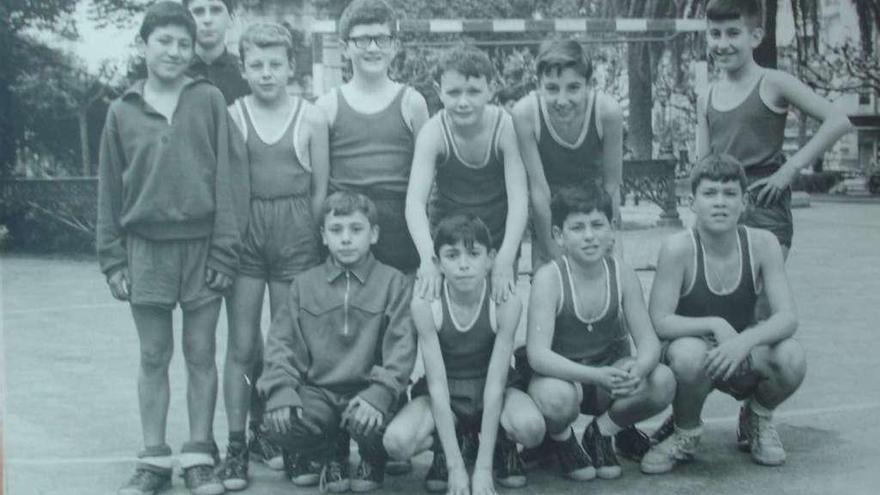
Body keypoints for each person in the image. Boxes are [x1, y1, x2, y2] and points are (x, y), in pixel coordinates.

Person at [97, 3, 245, 494]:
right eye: (164, 41)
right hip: (145, 252)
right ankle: (154, 459)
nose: (175, 51)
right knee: (153, 355)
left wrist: (225, 252)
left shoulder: (209, 100)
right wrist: (113, 259)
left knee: (201, 353)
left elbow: (229, 180)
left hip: (202, 248)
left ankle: (200, 454)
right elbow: (109, 194)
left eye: (184, 43)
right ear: (144, 46)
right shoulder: (121, 111)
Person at [215, 22, 329, 491]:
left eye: (275, 65)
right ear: (243, 69)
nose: (266, 73)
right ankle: (237, 444)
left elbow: (321, 188)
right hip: (246, 235)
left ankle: (293, 441)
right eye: (256, 65)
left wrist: (311, 236)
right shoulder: (232, 114)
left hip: (296, 234)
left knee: (288, 347)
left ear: (291, 67)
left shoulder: (312, 117)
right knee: (242, 345)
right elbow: (226, 183)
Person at [640, 154, 806, 474]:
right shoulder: (678, 248)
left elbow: (788, 317)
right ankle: (685, 432)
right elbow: (659, 320)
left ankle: (756, 416)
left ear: (744, 203)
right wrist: (716, 324)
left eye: (730, 194)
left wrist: (745, 341)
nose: (720, 203)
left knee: (792, 356)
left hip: (740, 351)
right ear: (692, 202)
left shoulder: (763, 243)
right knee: (689, 353)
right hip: (691, 356)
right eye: (710, 193)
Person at [257, 191, 417, 493]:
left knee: (381, 423)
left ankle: (372, 456)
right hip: (319, 393)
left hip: (367, 392)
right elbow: (281, 343)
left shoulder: (393, 282)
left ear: (374, 234)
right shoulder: (304, 285)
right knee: (278, 420)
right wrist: (280, 389)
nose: (346, 239)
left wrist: (381, 393)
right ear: (323, 236)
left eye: (356, 230)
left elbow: (402, 348)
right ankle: (330, 453)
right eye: (336, 230)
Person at [383, 214, 545, 494]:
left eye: (473, 253)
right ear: (437, 263)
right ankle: (448, 451)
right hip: (447, 392)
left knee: (532, 429)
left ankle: (499, 446)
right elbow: (437, 386)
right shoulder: (426, 304)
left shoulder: (505, 301)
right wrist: (458, 470)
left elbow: (495, 386)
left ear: (491, 258)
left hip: (492, 388)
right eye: (452, 255)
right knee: (397, 442)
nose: (464, 265)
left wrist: (481, 471)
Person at [525, 185, 675, 482]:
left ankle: (602, 432)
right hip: (564, 379)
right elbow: (537, 355)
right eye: (577, 228)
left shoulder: (622, 273)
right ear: (559, 235)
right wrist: (595, 376)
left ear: (612, 230)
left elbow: (648, 342)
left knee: (663, 381)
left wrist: (638, 368)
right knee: (555, 398)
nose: (589, 236)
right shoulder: (549, 278)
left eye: (597, 225)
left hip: (608, 379)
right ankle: (563, 439)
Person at [695, 0, 852, 258]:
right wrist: (699, 218)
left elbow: (838, 120)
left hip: (764, 203)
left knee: (764, 295)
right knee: (720, 295)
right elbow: (703, 165)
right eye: (715, 34)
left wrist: (789, 170)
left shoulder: (773, 83)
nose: (722, 44)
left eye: (733, 33)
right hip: (720, 204)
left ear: (755, 37)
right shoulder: (706, 97)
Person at [406, 44, 528, 306]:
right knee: (445, 316)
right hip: (448, 237)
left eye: (473, 91)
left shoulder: (506, 127)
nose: (463, 102)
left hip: (496, 235)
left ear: (491, 89)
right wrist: (429, 258)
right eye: (454, 92)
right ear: (439, 92)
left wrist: (506, 258)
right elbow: (415, 203)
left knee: (499, 313)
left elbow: (519, 200)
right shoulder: (433, 133)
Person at [316, 0, 429, 275]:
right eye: (363, 40)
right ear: (344, 48)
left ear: (395, 46)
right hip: (346, 228)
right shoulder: (326, 106)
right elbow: (319, 187)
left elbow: (426, 181)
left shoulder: (412, 103)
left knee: (399, 312)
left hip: (399, 231)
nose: (373, 48)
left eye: (381, 39)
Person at [512, 39, 624, 269]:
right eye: (552, 88)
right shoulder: (526, 113)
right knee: (550, 287)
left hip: (593, 207)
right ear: (538, 84)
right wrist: (553, 253)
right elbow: (539, 191)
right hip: (550, 212)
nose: (562, 100)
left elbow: (612, 186)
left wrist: (609, 239)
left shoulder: (607, 111)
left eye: (573, 88)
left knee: (607, 282)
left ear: (589, 84)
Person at [184, 0, 250, 104]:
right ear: (186, 19)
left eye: (216, 10)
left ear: (231, 18)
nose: (207, 20)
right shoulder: (176, 72)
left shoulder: (246, 74)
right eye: (198, 11)